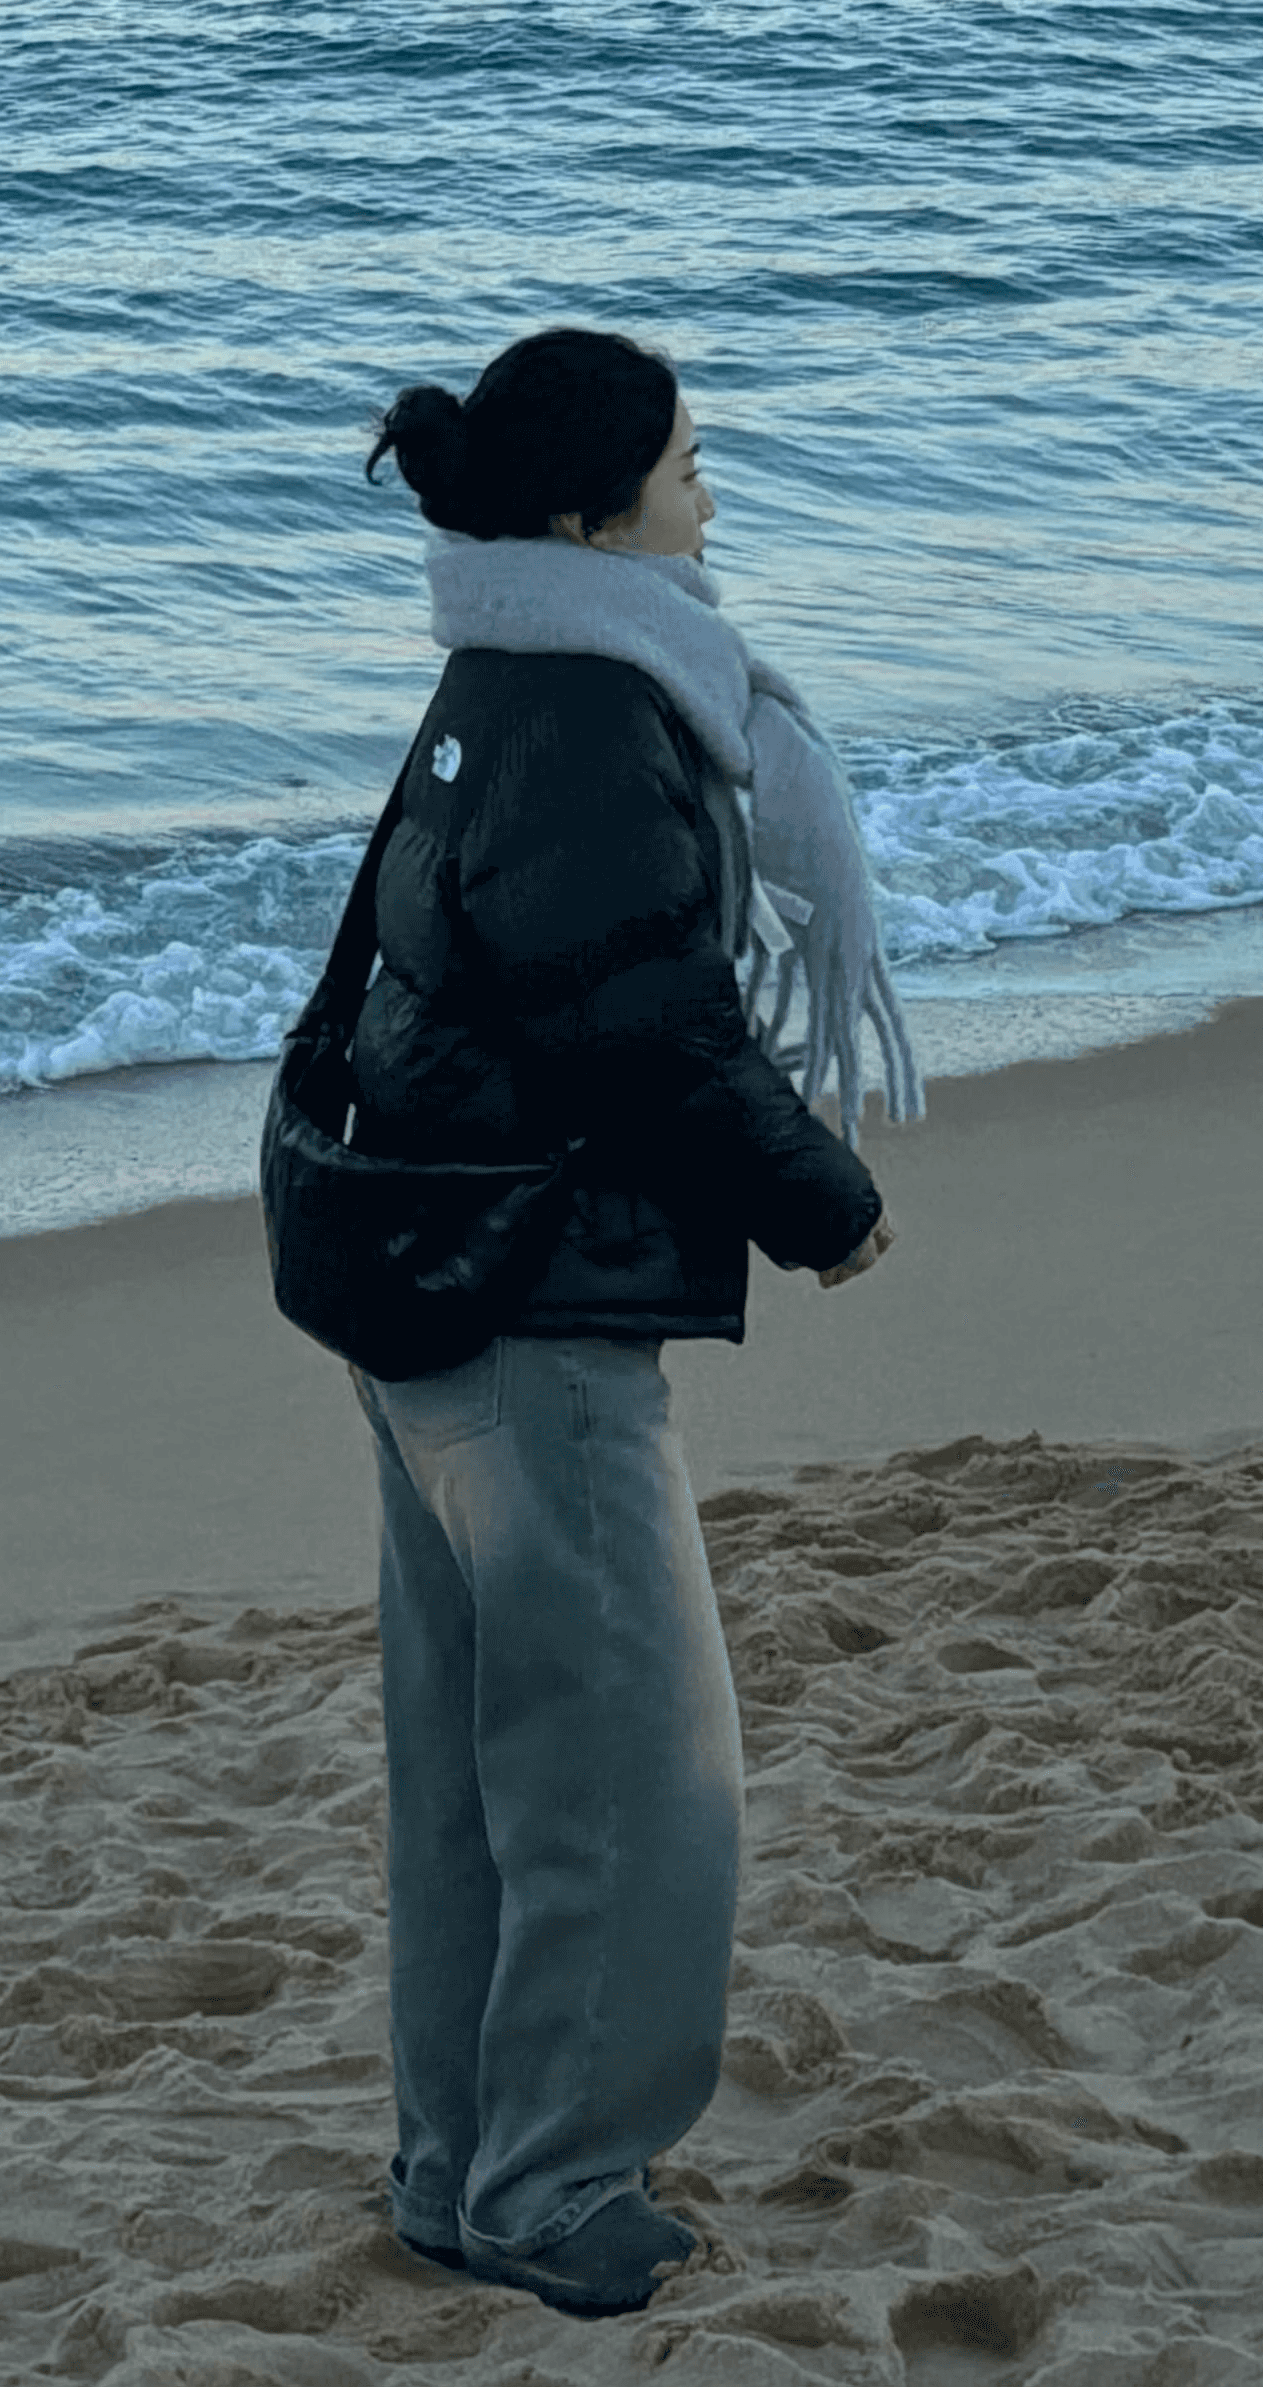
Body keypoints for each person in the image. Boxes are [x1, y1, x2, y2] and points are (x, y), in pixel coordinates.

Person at [339, 326, 921, 2321]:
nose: (710, 485)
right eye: (685, 460)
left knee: (479, 1767)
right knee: (627, 1774)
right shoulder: (595, 709)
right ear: (595, 509)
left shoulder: (502, 670)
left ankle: (458, 2164)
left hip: (418, 1275)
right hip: (520, 1303)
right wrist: (822, 1206)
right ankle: (557, 2185)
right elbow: (648, 1023)